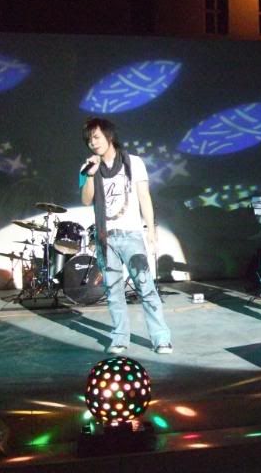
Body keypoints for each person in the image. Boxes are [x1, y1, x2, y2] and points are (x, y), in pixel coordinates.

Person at [80, 117, 173, 354]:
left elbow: (144, 197)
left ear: (109, 136)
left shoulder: (133, 162)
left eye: (96, 137)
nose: (93, 143)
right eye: (89, 140)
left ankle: (161, 338)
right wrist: (90, 174)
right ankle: (120, 338)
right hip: (105, 237)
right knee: (113, 292)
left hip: (131, 235)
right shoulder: (87, 167)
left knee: (145, 287)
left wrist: (151, 230)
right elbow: (86, 200)